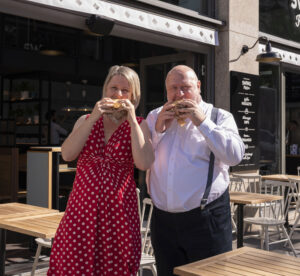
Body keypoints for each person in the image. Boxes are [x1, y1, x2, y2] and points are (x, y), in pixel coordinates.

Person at [47, 66, 154, 276]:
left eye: (125, 91)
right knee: (72, 266)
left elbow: (144, 162)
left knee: (115, 269)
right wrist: (93, 118)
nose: (118, 94)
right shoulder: (85, 120)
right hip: (81, 212)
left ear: (134, 96)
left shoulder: (140, 125)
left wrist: (132, 120)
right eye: (114, 88)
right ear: (105, 90)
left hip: (119, 214)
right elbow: (68, 154)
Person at [146, 65, 245, 276]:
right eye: (174, 88)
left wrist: (202, 122)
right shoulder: (155, 116)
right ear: (166, 90)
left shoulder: (219, 117)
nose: (179, 94)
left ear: (198, 86)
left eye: (186, 87)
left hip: (206, 220)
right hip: (163, 222)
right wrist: (157, 131)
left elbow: (235, 156)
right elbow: (143, 160)